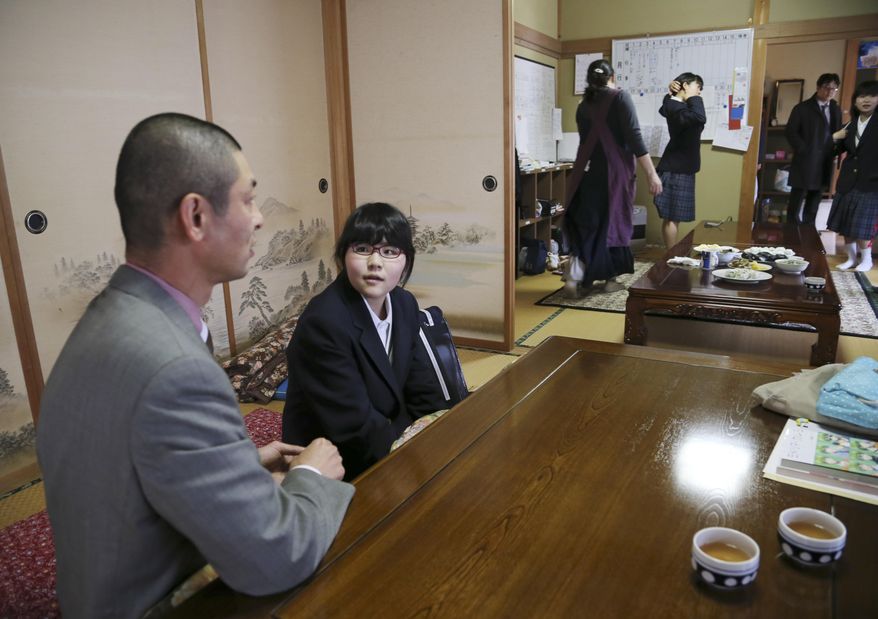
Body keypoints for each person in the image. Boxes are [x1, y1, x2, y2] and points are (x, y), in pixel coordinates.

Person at [36, 113, 355, 619]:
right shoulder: (175, 368)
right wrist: (311, 477)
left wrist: (241, 466)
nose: (259, 218)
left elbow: (133, 464)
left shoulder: (110, 315)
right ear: (196, 216)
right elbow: (277, 557)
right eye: (248, 199)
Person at [282, 202, 448, 480]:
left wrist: (440, 436)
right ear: (343, 255)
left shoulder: (404, 303)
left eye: (389, 251)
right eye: (362, 249)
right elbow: (352, 426)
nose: (375, 262)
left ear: (406, 260)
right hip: (334, 456)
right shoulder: (323, 322)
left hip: (388, 433)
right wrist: (409, 462)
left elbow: (420, 383)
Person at [563, 58, 662, 297]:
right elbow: (635, 138)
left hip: (586, 172)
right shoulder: (620, 98)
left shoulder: (583, 105)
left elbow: (586, 140)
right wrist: (652, 173)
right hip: (614, 175)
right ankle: (609, 280)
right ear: (612, 77)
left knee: (588, 224)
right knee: (614, 224)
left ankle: (576, 278)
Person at [827, 80, 878, 271]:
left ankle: (866, 260)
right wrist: (834, 138)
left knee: (862, 226)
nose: (866, 100)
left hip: (871, 182)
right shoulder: (850, 124)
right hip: (847, 181)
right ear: (855, 101)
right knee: (845, 223)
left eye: (872, 96)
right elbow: (834, 151)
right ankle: (851, 258)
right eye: (862, 96)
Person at [654, 72, 706, 248]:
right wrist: (685, 95)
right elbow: (699, 117)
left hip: (682, 168)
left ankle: (671, 254)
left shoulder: (678, 106)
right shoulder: (675, 106)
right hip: (675, 169)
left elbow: (696, 118)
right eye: (698, 87)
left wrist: (673, 94)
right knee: (672, 217)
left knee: (674, 217)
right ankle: (671, 256)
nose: (699, 91)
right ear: (685, 86)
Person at [785, 73, 843, 224]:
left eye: (834, 89)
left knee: (815, 199)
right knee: (797, 197)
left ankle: (808, 230)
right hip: (805, 158)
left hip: (825, 160)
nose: (830, 91)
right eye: (826, 87)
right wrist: (803, 149)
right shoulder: (802, 108)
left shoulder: (835, 108)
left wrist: (836, 150)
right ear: (818, 87)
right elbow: (791, 132)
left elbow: (838, 132)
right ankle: (791, 230)